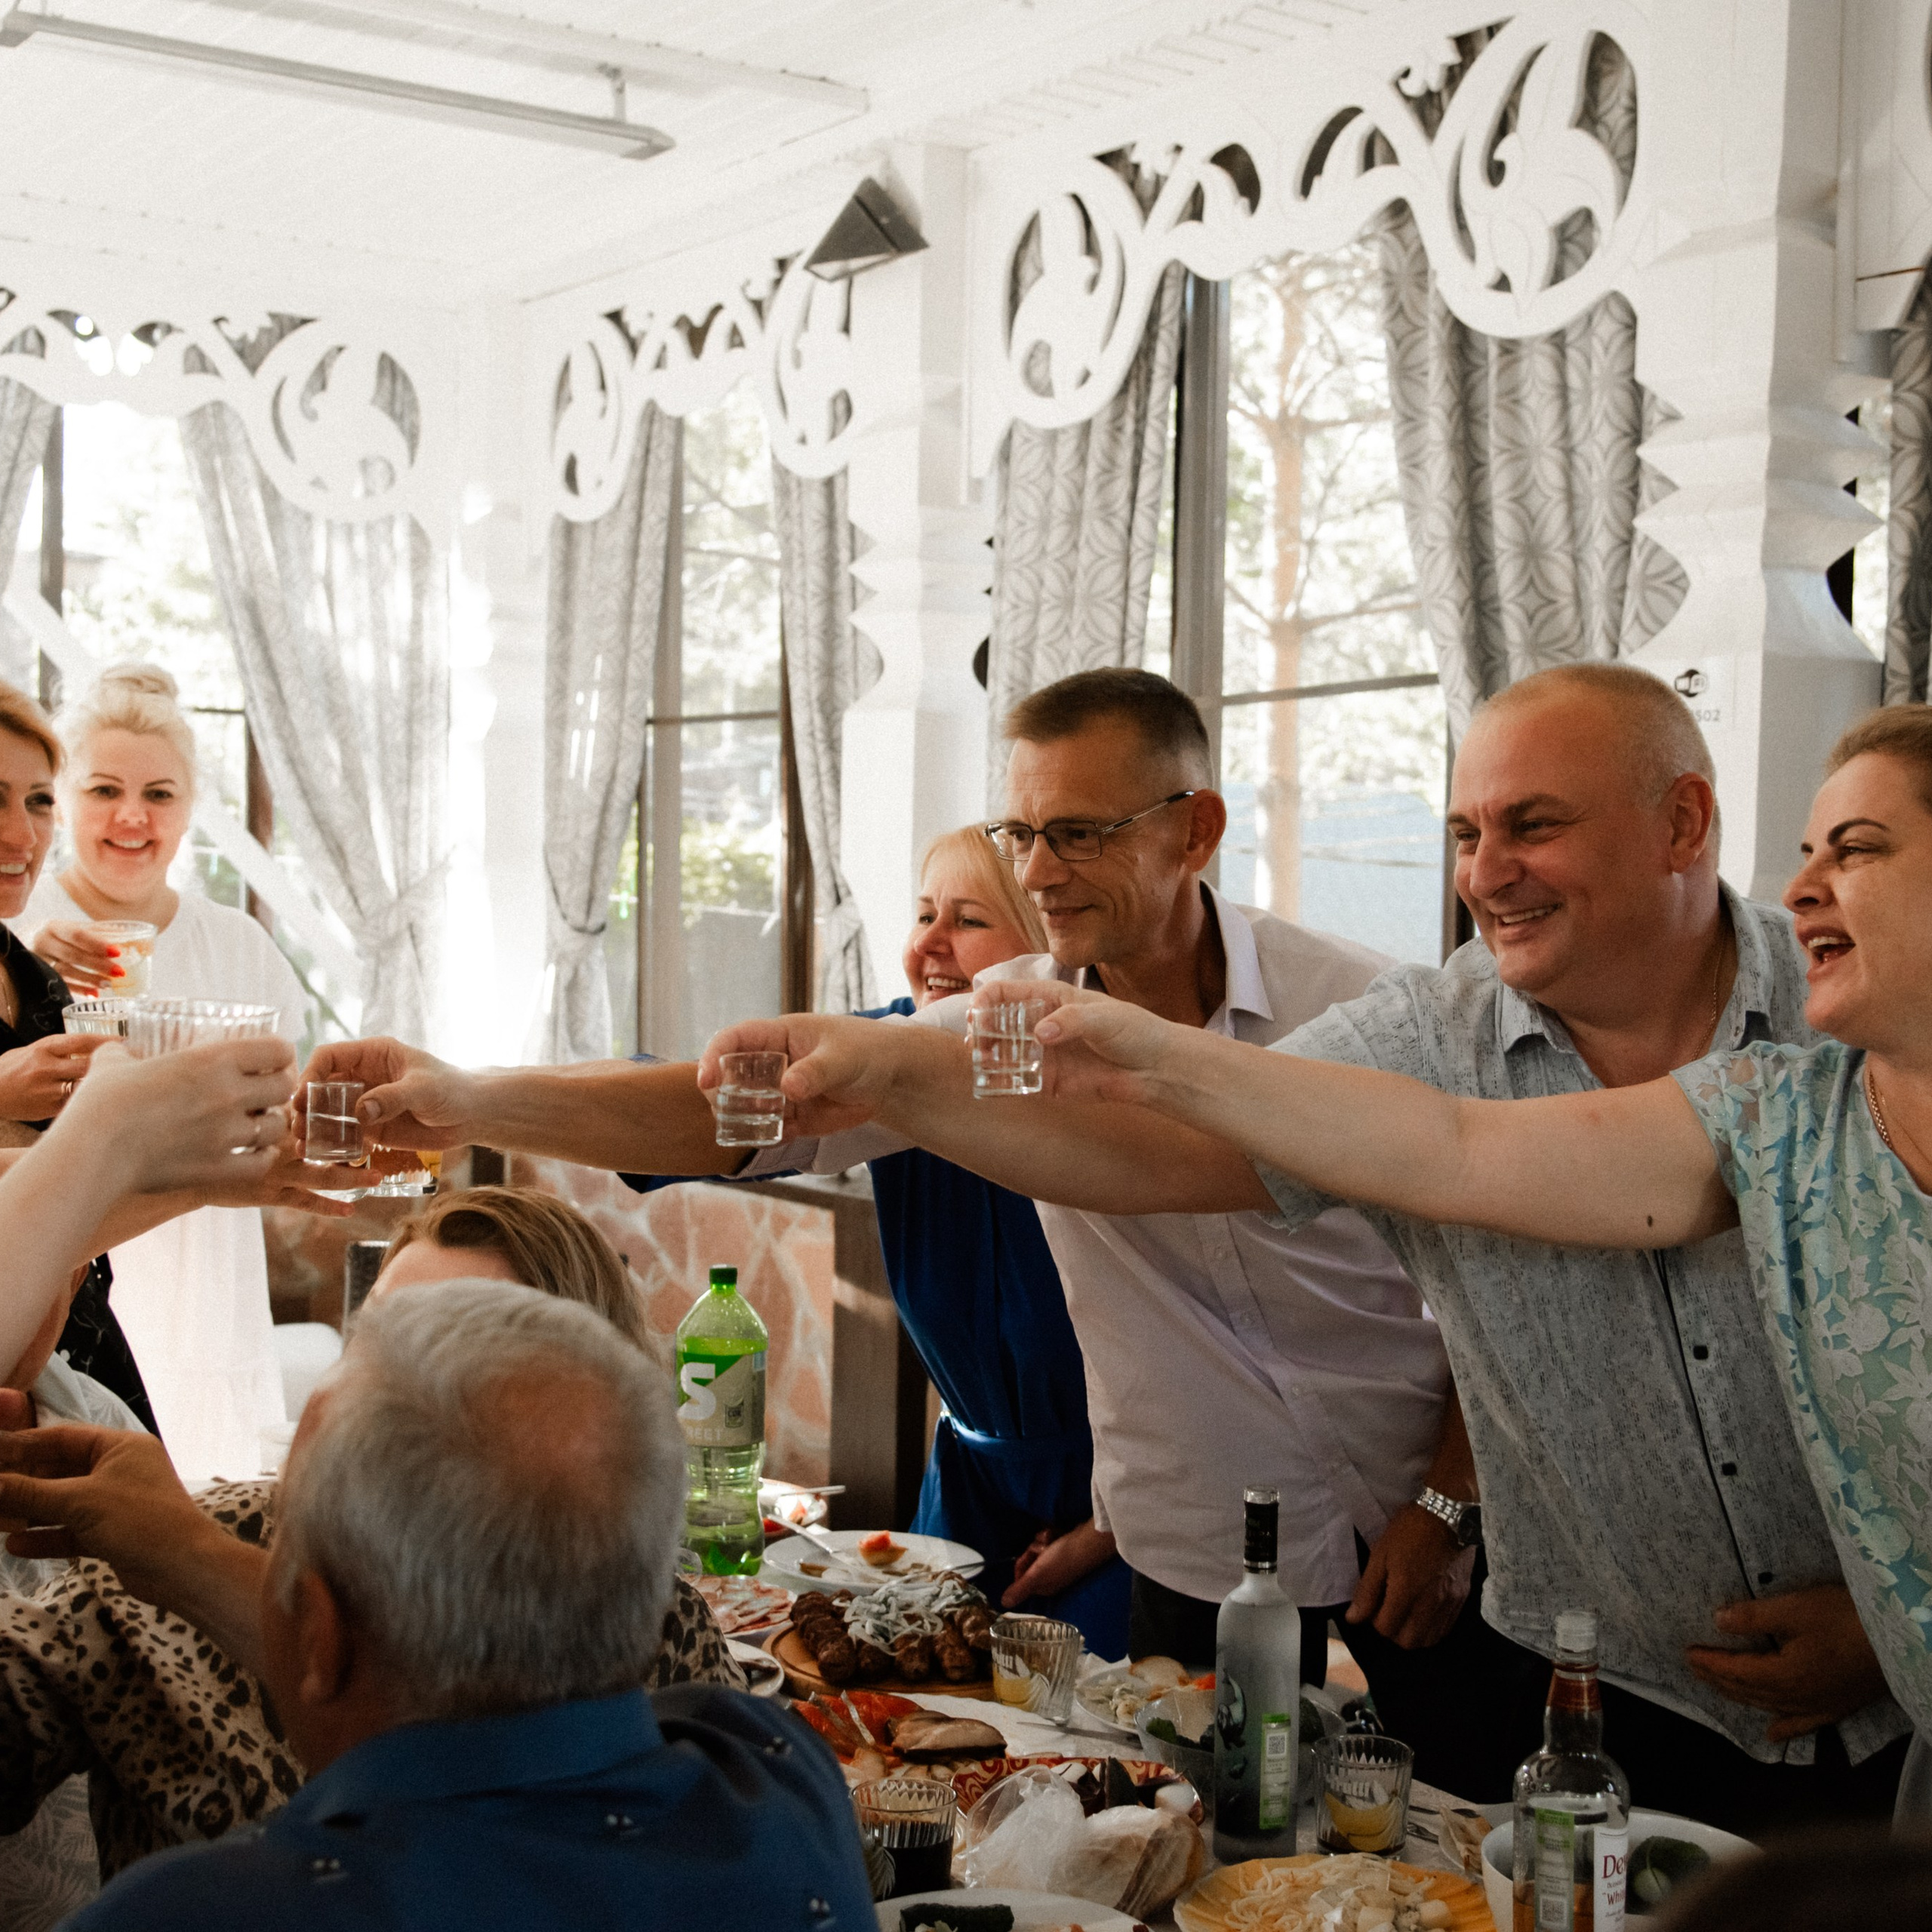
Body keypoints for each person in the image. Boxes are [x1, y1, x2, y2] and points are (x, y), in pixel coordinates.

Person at [704, 668, 1915, 1834]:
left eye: (1855, 852)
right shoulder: (1464, 1042)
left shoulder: (1820, 1070)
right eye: (1460, 832)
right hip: (1573, 1692)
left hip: (1882, 1723)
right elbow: (1278, 1156)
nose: (1485, 874)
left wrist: (1897, 1615)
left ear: (1684, 823)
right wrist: (885, 1065)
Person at [300, 671, 1517, 1798]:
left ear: (1195, 829)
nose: (1040, 872)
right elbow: (717, 1111)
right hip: (1195, 1541)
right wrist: (464, 1095)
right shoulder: (992, 1029)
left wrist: (1449, 1501)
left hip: (1429, 1508)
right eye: (1020, 833)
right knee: (1210, 1851)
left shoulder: (1352, 1002)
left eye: (1080, 832)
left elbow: (1494, 1263)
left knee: (1482, 1832)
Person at [2, 1281, 876, 1930]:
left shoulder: (196, 1916)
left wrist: (199, 1560)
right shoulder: (778, 1776)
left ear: (322, 1630)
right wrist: (206, 1558)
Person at [0, 1185, 746, 1881]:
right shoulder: (142, 1564)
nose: (383, 1398)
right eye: (375, 1345)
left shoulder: (651, 1628)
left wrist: (196, 1563)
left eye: (456, 1362)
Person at [630, 826, 1129, 1651]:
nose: (927, 943)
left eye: (967, 921)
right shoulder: (892, 1053)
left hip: (1135, 1506)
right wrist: (485, 1092)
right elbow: (695, 1100)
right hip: (965, 1493)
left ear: (1044, 956)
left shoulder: (1103, 1084)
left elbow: (1217, 1365)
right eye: (924, 913)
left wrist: (1109, 1526)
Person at [20, 663, 309, 1486]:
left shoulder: (241, 951)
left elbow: (282, 1111)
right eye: (103, 789)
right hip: (73, 1274)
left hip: (209, 1280)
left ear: (190, 809)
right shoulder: (24, 932)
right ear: (65, 797)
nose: (131, 816)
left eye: (160, 794)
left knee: (207, 1517)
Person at [0, 678, 144, 1426]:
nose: (21, 835)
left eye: (38, 800)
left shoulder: (37, 978)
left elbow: (82, 1185)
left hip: (83, 1343)